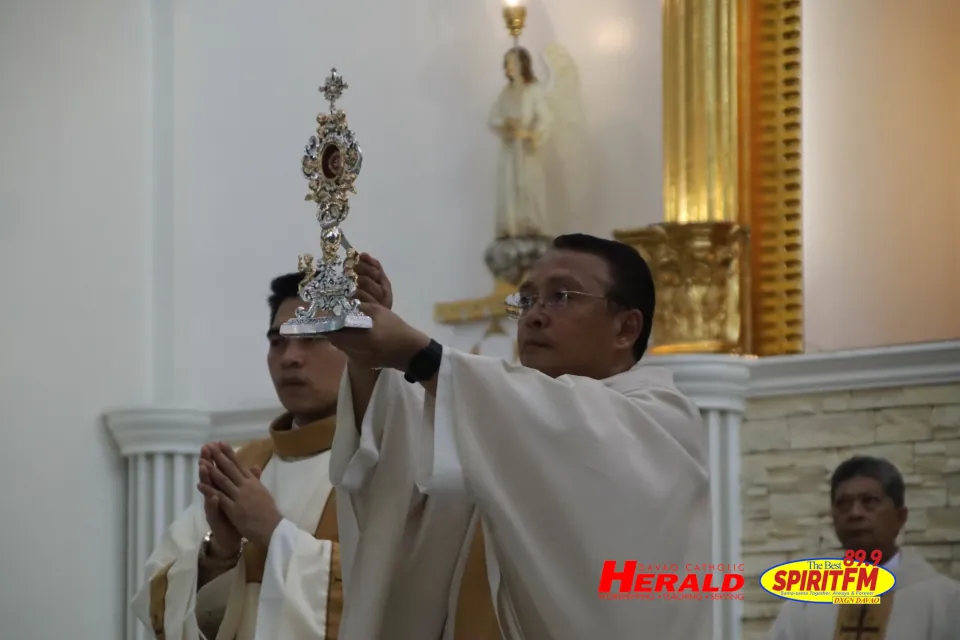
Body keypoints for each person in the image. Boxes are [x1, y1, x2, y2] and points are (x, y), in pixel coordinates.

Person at [328, 234, 712, 639]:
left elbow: (565, 430)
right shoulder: (493, 418)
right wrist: (369, 358)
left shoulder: (660, 421)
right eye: (526, 301)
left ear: (625, 328)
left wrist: (418, 354)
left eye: (562, 296)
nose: (534, 316)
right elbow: (399, 476)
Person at [131, 272, 348, 639]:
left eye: (312, 337)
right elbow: (158, 596)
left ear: (358, 351)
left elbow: (400, 596)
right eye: (278, 342)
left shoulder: (385, 464)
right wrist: (220, 551)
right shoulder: (245, 465)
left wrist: (272, 531)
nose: (291, 357)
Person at [770, 455, 960, 639]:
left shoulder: (946, 601)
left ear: (900, 517)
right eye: (843, 504)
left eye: (869, 502)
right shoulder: (804, 604)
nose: (855, 513)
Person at [489, 46, 552, 239]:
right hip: (510, 152)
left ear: (521, 65)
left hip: (526, 153)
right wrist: (506, 123)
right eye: (506, 63)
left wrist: (529, 134)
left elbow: (546, 119)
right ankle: (511, 230)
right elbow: (493, 118)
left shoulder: (533, 90)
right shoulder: (506, 92)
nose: (508, 67)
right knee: (509, 194)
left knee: (528, 192)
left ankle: (531, 231)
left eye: (511, 63)